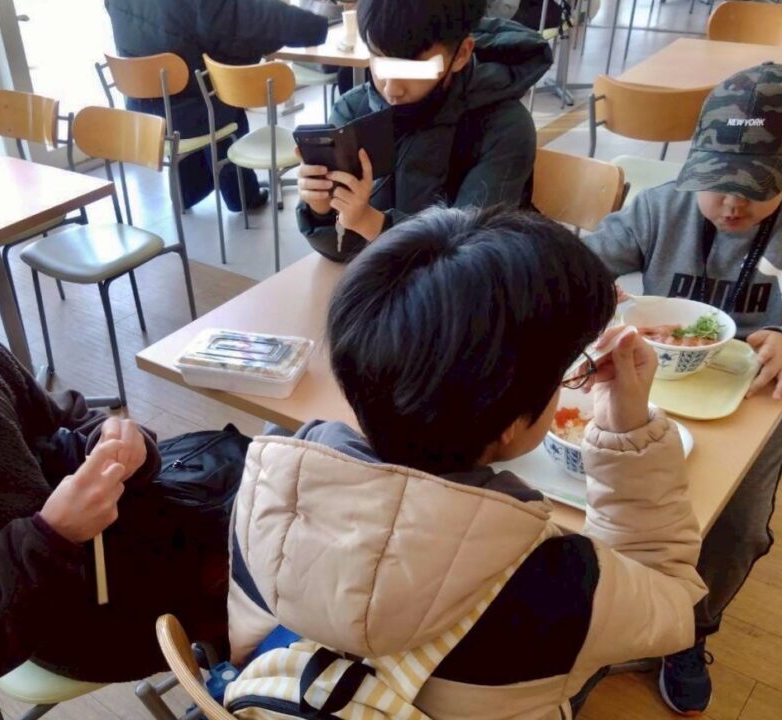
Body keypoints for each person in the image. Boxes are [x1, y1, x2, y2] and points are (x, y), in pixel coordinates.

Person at [222, 207, 708, 718]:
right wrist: (627, 429)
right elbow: (674, 600)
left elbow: (249, 640)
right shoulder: (564, 582)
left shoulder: (270, 481)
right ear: (510, 424)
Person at [0, 163, 230, 699]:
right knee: (271, 566)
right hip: (60, 613)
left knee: (268, 489)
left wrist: (112, 441)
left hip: (113, 543)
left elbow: (60, 423)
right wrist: (53, 535)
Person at [584, 63, 782, 716]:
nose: (731, 204)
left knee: (737, 530)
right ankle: (619, 614)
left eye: (756, 189)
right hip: (650, 388)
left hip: (755, 403)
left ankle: (689, 632)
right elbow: (588, 260)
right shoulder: (661, 206)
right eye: (716, 183)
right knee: (609, 504)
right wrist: (589, 287)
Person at [296, 0, 553, 262]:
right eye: (379, 59)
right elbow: (342, 252)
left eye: (413, 68)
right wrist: (321, 211)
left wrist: (370, 223)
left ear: (461, 54)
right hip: (381, 278)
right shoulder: (353, 112)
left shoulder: (504, 128)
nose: (392, 89)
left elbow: (468, 262)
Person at [104, 0, 328, 211]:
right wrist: (320, 26)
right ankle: (242, 197)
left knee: (195, 83)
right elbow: (254, 17)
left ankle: (188, 192)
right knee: (223, 101)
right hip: (192, 113)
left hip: (143, 113)